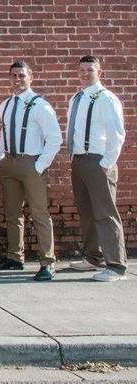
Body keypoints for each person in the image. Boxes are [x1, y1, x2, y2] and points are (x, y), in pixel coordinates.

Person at [0, 61, 62, 282]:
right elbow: (4, 133)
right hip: (10, 163)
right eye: (13, 75)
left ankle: (47, 262)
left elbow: (54, 138)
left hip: (32, 163)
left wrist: (39, 165)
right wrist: (0, 157)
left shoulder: (40, 105)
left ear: (30, 77)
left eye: (21, 75)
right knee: (13, 213)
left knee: (40, 213)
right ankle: (14, 256)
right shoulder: (5, 105)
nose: (17, 79)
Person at [66, 55, 127, 282]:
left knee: (105, 213)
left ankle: (117, 266)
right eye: (81, 69)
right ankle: (93, 257)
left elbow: (117, 134)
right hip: (79, 161)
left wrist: (106, 163)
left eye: (89, 70)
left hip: (99, 161)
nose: (84, 73)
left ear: (99, 73)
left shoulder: (106, 98)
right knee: (87, 212)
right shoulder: (76, 98)